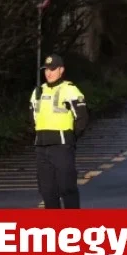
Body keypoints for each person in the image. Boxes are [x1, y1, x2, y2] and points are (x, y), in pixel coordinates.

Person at [29, 54, 88, 209]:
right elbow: (33, 117)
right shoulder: (38, 91)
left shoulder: (70, 90)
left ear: (61, 70)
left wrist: (70, 138)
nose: (49, 73)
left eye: (53, 69)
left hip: (62, 146)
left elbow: (82, 118)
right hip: (41, 147)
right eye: (46, 69)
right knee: (47, 190)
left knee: (66, 187)